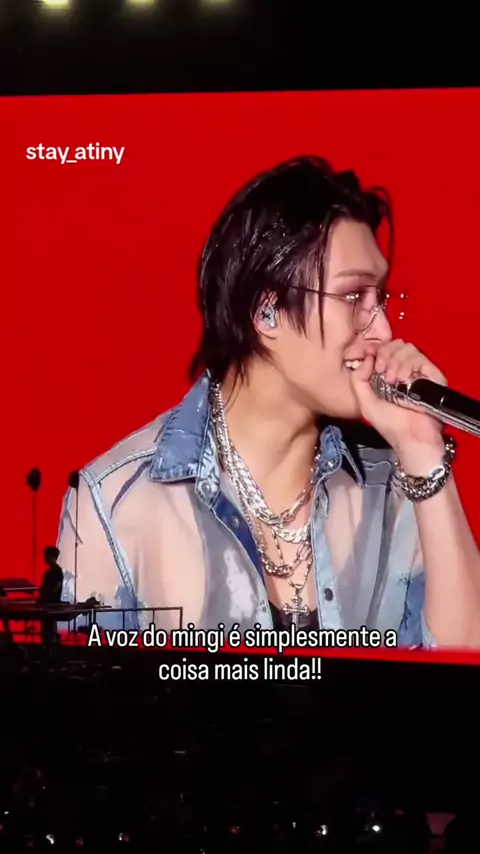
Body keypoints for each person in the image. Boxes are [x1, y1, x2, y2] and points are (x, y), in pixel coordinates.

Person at [56, 156, 480, 646]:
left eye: (380, 298)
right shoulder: (115, 501)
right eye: (353, 297)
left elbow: (462, 671)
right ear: (266, 312)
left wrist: (424, 454)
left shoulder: (395, 489)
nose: (382, 330)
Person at [38, 545, 64, 644]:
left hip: (51, 604)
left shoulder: (57, 571)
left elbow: (55, 588)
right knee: (47, 629)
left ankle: (50, 645)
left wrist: (45, 596)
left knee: (49, 629)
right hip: (47, 604)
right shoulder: (49, 572)